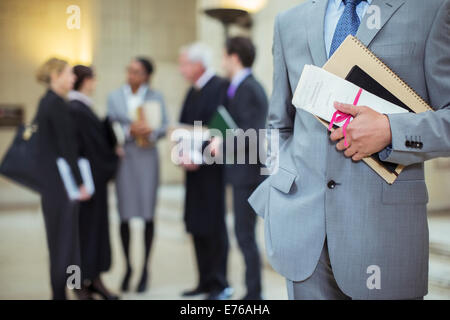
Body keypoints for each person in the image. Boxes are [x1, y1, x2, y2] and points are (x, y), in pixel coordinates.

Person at [249, 0, 450, 300]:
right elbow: (280, 123)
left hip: (385, 238)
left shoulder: (430, 10)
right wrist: (277, 193)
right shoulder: (288, 21)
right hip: (304, 237)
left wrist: (391, 131)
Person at [107, 57, 169, 293]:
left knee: (147, 214)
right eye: (129, 70)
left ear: (146, 76)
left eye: (137, 72)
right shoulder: (114, 96)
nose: (131, 75)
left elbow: (165, 124)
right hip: (125, 159)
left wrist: (151, 130)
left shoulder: (156, 96)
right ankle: (128, 267)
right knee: (125, 215)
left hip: (147, 158)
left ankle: (145, 269)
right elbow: (109, 124)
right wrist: (127, 129)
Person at [178, 43, 232, 300]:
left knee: (213, 225)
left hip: (212, 169)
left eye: (184, 64)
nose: (180, 69)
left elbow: (221, 127)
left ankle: (220, 283)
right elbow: (183, 127)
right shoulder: (192, 91)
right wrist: (181, 153)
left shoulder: (220, 87)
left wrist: (199, 155)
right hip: (192, 169)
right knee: (196, 223)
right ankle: (203, 280)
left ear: (198, 65)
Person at [35, 58, 90, 300]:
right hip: (62, 185)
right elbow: (67, 148)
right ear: (55, 76)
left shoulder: (47, 102)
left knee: (61, 241)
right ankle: (59, 295)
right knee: (63, 243)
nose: (73, 78)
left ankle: (67, 291)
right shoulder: (56, 104)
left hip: (52, 184)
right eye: (68, 74)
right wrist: (80, 182)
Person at [221, 37, 268, 300]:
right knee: (243, 234)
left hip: (248, 173)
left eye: (223, 56)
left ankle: (254, 295)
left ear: (234, 57)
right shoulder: (239, 87)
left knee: (245, 235)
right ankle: (253, 291)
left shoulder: (249, 88)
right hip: (242, 171)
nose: (222, 61)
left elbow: (251, 133)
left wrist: (221, 143)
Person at [68, 65, 119, 300]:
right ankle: (78, 285)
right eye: (93, 79)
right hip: (82, 183)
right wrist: (112, 155)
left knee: (94, 233)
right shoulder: (75, 108)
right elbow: (87, 147)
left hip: (92, 182)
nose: (96, 83)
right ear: (85, 80)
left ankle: (94, 280)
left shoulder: (81, 107)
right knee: (79, 234)